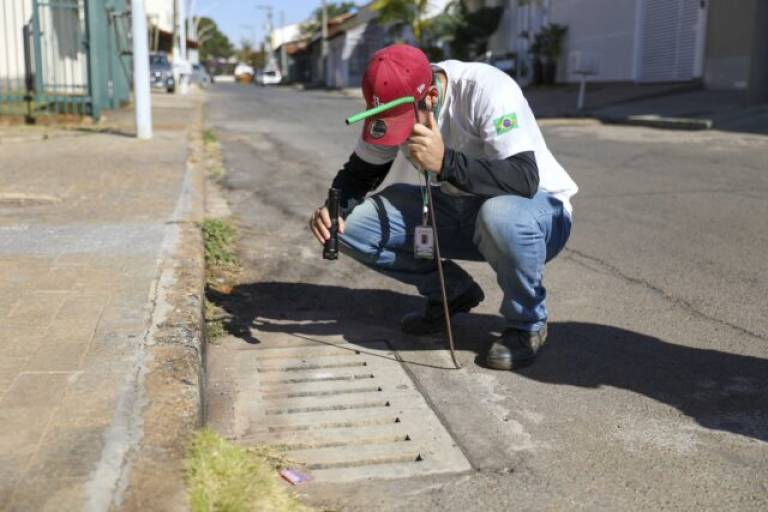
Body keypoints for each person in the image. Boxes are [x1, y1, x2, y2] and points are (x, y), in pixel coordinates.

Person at [309, 44, 578, 370]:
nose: (400, 132)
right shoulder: (386, 106)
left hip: (536, 214)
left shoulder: (485, 88)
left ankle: (527, 323)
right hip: (456, 209)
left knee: (500, 215)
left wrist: (446, 162)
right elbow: (360, 172)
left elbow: (524, 178)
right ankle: (452, 292)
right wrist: (334, 209)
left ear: (432, 97)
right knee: (350, 227)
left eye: (404, 122)